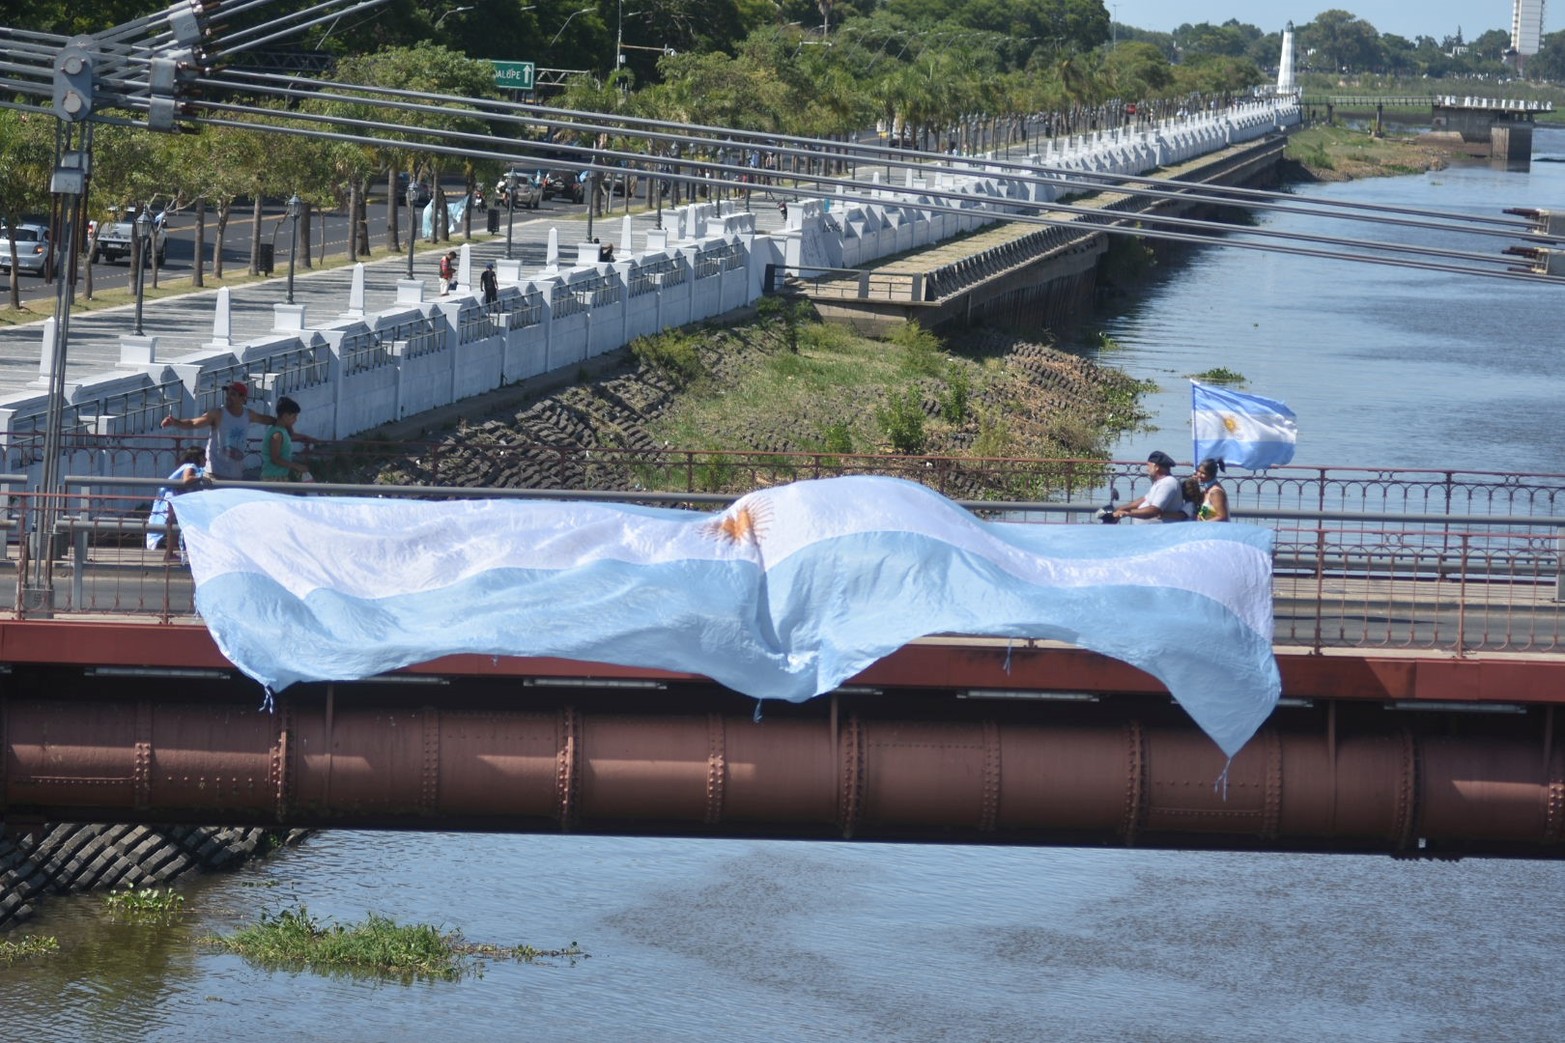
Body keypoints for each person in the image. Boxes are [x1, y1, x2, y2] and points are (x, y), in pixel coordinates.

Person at [160, 381, 276, 480]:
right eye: (228, 394)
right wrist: (175, 422)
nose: (228, 397)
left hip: (235, 476)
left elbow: (265, 419)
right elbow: (194, 423)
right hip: (214, 475)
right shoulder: (217, 414)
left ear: (243, 398)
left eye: (233, 394)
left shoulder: (248, 415)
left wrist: (281, 422)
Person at [146, 447, 206, 561]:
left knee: (172, 527)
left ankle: (170, 554)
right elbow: (186, 479)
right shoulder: (191, 467)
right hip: (174, 500)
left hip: (172, 499)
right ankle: (174, 554)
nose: (206, 460)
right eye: (204, 457)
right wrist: (201, 477)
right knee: (180, 526)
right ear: (198, 457)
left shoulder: (186, 466)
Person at [1112, 450, 1183, 523]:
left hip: (1160, 532)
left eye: (1149, 466)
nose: (1147, 469)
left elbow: (1154, 511)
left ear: (1156, 467)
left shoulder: (1168, 483)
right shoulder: (1159, 482)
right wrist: (1121, 508)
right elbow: (1144, 499)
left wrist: (1127, 513)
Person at [260, 396, 314, 482]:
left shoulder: (283, 431)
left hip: (280, 476)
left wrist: (305, 437)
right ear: (285, 416)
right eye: (294, 417)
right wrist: (296, 466)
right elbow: (276, 459)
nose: (295, 420)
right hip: (273, 478)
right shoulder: (277, 435)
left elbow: (290, 435)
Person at [1193, 457, 1231, 521]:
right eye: (1198, 471)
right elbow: (1207, 513)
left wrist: (1202, 525)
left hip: (1215, 529)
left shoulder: (1216, 492)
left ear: (1211, 475)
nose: (1199, 475)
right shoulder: (1208, 490)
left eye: (1203, 473)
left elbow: (1222, 517)